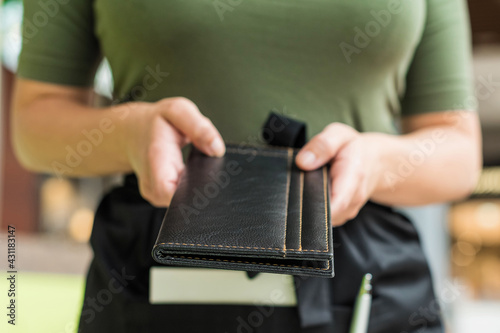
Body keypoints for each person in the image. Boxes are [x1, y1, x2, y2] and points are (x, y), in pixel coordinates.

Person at [12, 0, 481, 332]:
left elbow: (459, 149)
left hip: (363, 274)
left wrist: (378, 162)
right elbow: (34, 122)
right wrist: (130, 132)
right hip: (153, 267)